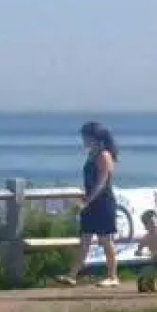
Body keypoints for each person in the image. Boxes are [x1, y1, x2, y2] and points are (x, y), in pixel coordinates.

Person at [56, 122, 121, 289]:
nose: (83, 140)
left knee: (105, 240)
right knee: (84, 239)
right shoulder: (92, 154)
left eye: (85, 136)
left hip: (103, 202)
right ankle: (72, 275)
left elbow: (101, 182)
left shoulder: (104, 155)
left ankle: (113, 276)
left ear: (94, 138)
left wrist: (87, 201)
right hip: (90, 202)